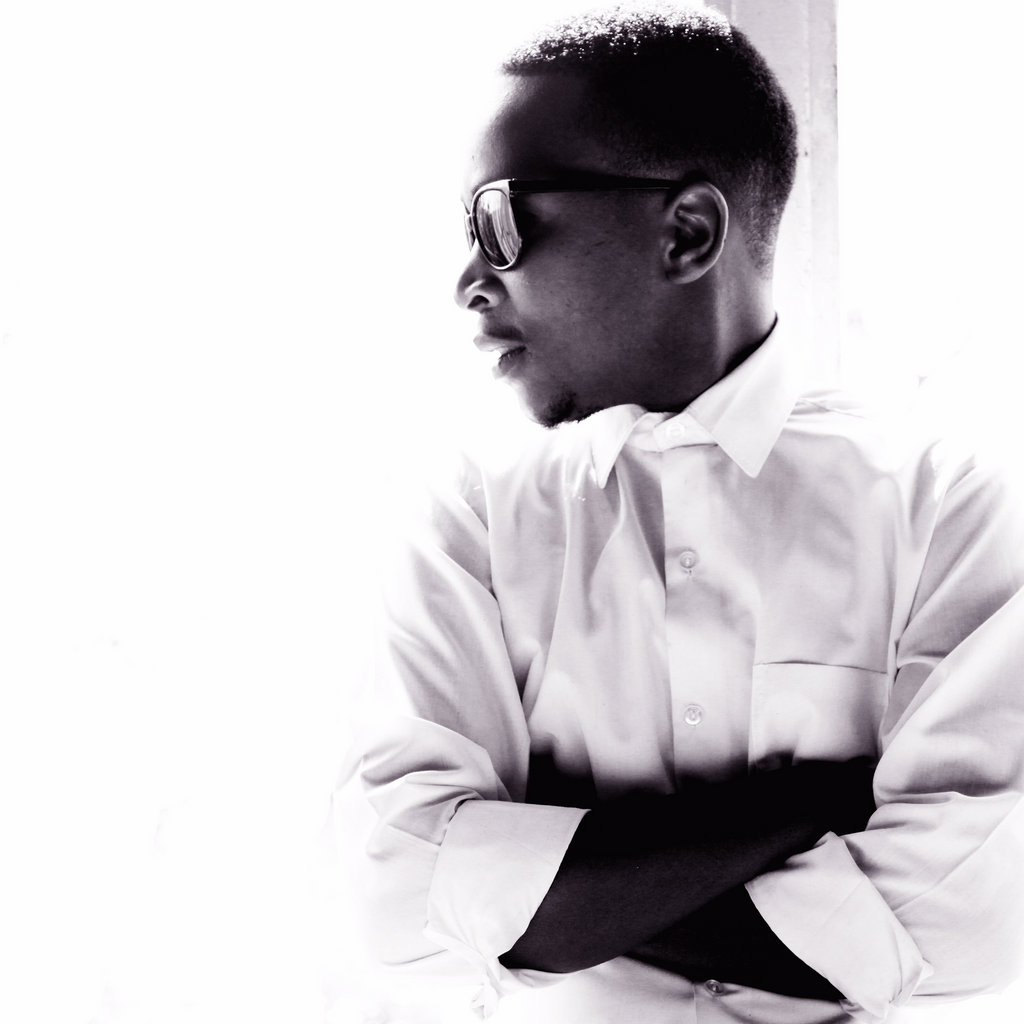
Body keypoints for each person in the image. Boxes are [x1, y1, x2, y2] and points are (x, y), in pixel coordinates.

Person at [351, 4, 1024, 1022]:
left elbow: (965, 920)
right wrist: (801, 809)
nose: (467, 283)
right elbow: (396, 888)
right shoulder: (472, 523)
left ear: (686, 233)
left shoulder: (943, 506)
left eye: (500, 221)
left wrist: (542, 888)